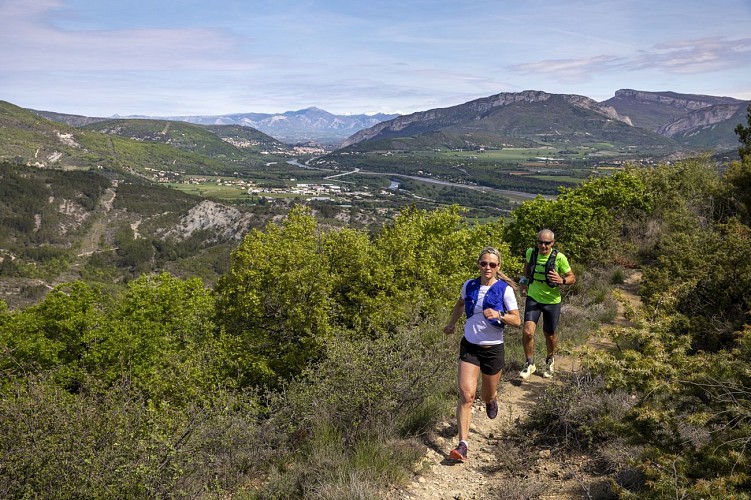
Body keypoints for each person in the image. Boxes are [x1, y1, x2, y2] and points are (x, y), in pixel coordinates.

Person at [443, 247, 521, 462]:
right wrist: (451, 324)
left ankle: (491, 399)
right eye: (484, 263)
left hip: (493, 349)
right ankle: (462, 444)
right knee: (467, 395)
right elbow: (460, 304)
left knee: (486, 394)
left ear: (498, 267)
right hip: (470, 346)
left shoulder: (504, 290)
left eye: (492, 265)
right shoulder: (469, 285)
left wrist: (500, 314)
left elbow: (517, 321)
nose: (487, 268)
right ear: (479, 264)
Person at [518, 229, 576, 380]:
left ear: (553, 243)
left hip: (552, 301)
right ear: (537, 242)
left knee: (549, 335)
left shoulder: (560, 258)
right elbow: (526, 270)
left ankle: (550, 360)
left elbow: (572, 278)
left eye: (547, 243)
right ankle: (530, 363)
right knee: (528, 332)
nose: (543, 246)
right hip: (534, 298)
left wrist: (561, 280)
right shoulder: (531, 253)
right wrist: (524, 283)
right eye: (540, 242)